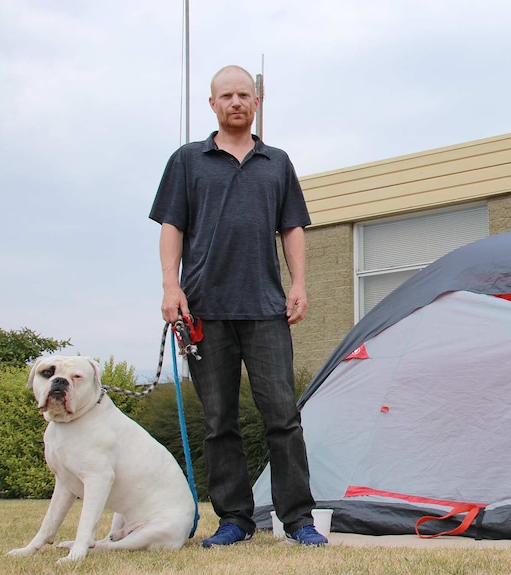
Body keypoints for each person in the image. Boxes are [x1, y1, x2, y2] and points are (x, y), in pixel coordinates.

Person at [149, 65, 327, 547]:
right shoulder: (188, 161)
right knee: (218, 421)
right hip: (204, 310)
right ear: (212, 104)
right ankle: (234, 520)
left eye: (243, 95)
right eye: (225, 95)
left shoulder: (277, 162)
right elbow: (171, 227)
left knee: (283, 417)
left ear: (256, 102)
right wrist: (172, 287)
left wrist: (300, 284)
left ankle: (298, 521)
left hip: (267, 309)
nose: (235, 102)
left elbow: (292, 226)